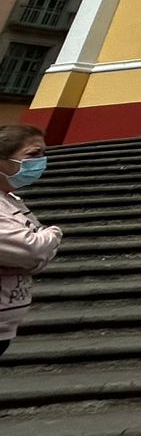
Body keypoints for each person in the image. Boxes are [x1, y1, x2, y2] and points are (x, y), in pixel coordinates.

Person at [0, 124, 61, 360]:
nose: (41, 161)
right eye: (33, 155)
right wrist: (54, 233)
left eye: (43, 154)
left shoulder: (11, 200)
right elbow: (32, 250)